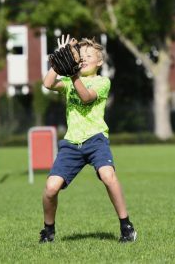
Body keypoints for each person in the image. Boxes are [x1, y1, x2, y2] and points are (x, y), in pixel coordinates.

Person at [39, 35, 137, 243]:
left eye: (89, 55)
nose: (83, 58)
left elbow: (85, 96)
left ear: (99, 62)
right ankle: (48, 230)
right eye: (80, 55)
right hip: (71, 144)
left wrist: (73, 75)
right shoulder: (68, 79)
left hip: (96, 139)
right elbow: (47, 83)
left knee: (108, 175)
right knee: (50, 189)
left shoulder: (102, 82)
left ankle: (126, 225)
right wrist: (59, 59)